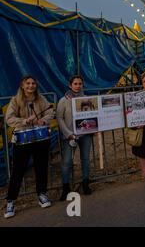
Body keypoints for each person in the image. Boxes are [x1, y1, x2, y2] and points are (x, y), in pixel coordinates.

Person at [4, 76, 54, 219]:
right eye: (28, 83)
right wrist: (24, 121)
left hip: (40, 139)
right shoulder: (15, 100)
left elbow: (50, 112)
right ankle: (11, 201)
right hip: (22, 140)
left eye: (33, 83)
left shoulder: (41, 99)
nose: (31, 86)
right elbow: (9, 118)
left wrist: (43, 120)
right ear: (22, 85)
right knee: (18, 171)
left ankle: (42, 194)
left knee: (41, 167)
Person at [56, 75, 93, 201]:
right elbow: (59, 118)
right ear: (70, 85)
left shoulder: (87, 99)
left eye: (80, 84)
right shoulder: (63, 100)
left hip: (85, 135)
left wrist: (93, 128)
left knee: (86, 159)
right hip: (70, 136)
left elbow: (92, 115)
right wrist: (67, 133)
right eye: (75, 83)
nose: (78, 86)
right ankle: (66, 188)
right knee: (66, 162)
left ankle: (86, 183)